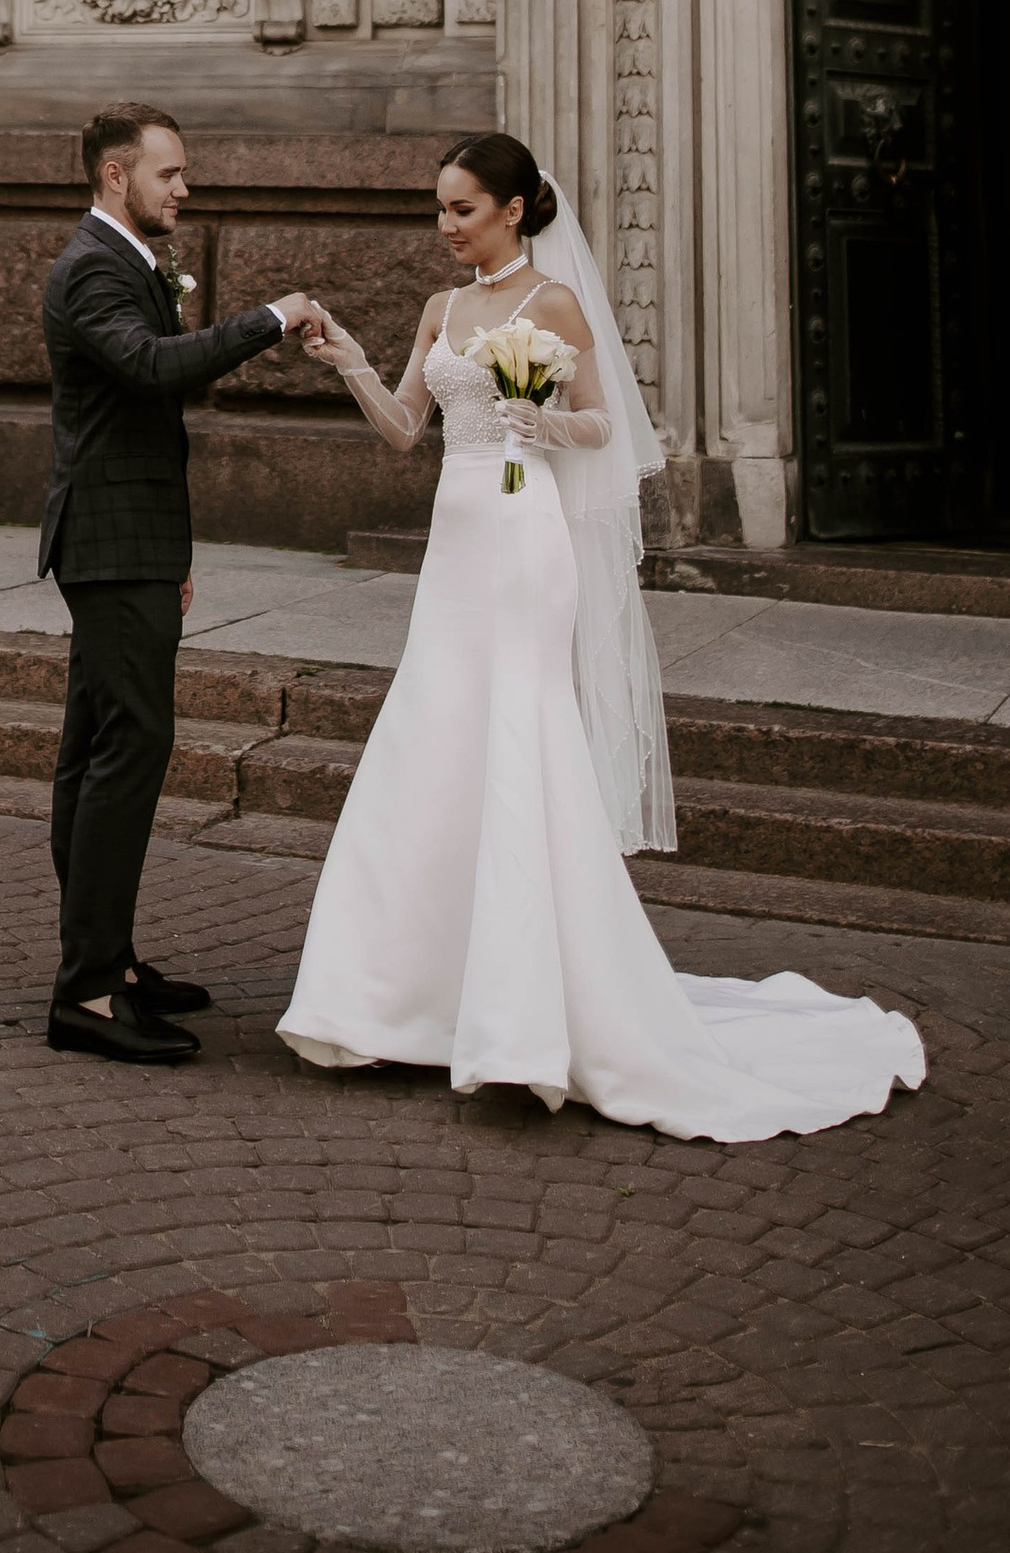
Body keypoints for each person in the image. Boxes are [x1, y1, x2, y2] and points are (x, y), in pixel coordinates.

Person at [280, 130, 927, 1140]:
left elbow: (603, 428)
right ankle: (399, 999)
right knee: (434, 733)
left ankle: (523, 1017)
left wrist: (539, 423)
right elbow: (408, 430)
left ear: (513, 208)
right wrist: (351, 361)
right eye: (438, 208)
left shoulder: (554, 305)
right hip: (454, 545)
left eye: (460, 208)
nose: (443, 226)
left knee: (517, 739)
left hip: (526, 538)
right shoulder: (440, 310)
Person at [40, 104, 325, 1065]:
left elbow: (140, 420)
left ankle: (108, 963)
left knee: (97, 751)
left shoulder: (124, 260)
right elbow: (154, 370)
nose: (185, 186)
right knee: (130, 751)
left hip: (134, 540)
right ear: (118, 175)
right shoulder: (90, 267)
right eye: (171, 172)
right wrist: (270, 319)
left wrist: (175, 550)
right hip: (110, 546)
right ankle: (85, 991)